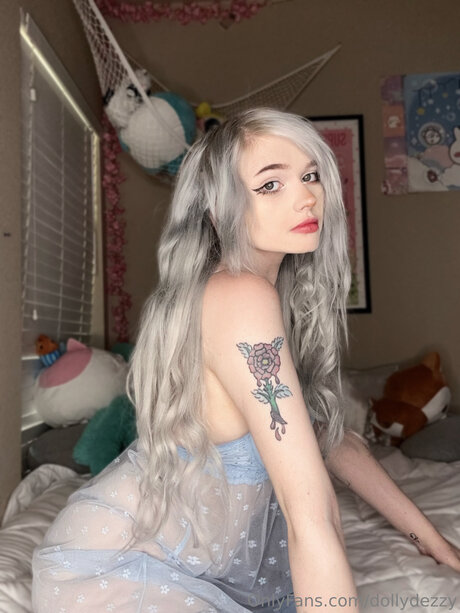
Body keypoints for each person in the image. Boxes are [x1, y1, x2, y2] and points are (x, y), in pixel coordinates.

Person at [31, 107, 459, 612]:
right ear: (219, 209)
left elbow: (334, 442)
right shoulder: (239, 297)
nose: (306, 197)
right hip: (117, 565)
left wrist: (434, 543)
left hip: (191, 559)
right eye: (270, 184)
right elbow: (310, 510)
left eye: (311, 175)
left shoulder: (264, 295)